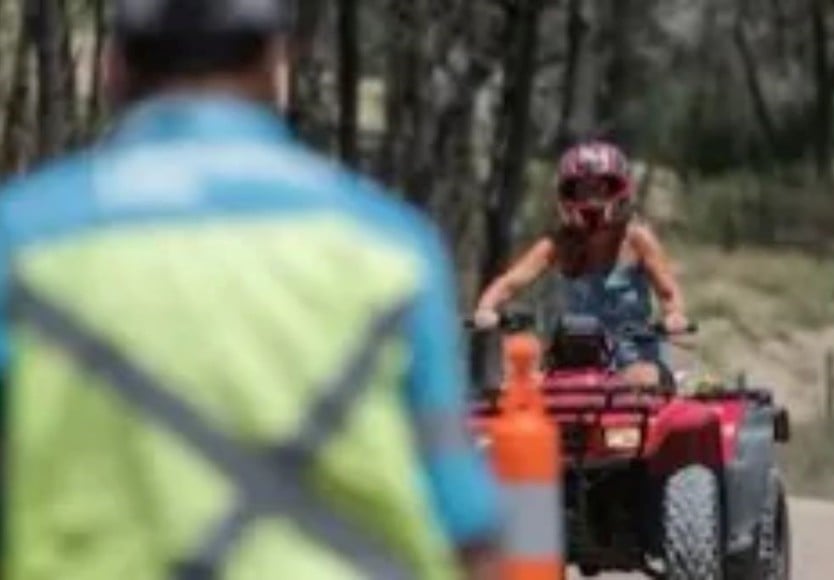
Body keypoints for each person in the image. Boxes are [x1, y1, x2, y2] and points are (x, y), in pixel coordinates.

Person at [1, 1, 501, 579]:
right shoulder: (388, 247)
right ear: (275, 64)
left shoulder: (22, 242)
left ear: (113, 68)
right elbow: (464, 520)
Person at [473, 140, 689, 386]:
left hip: (634, 358)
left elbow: (669, 293)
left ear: (619, 190)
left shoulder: (637, 238)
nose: (591, 200)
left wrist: (674, 316)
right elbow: (510, 282)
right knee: (520, 388)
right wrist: (486, 307)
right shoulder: (559, 243)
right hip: (575, 360)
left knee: (641, 381)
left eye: (600, 189)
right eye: (582, 190)